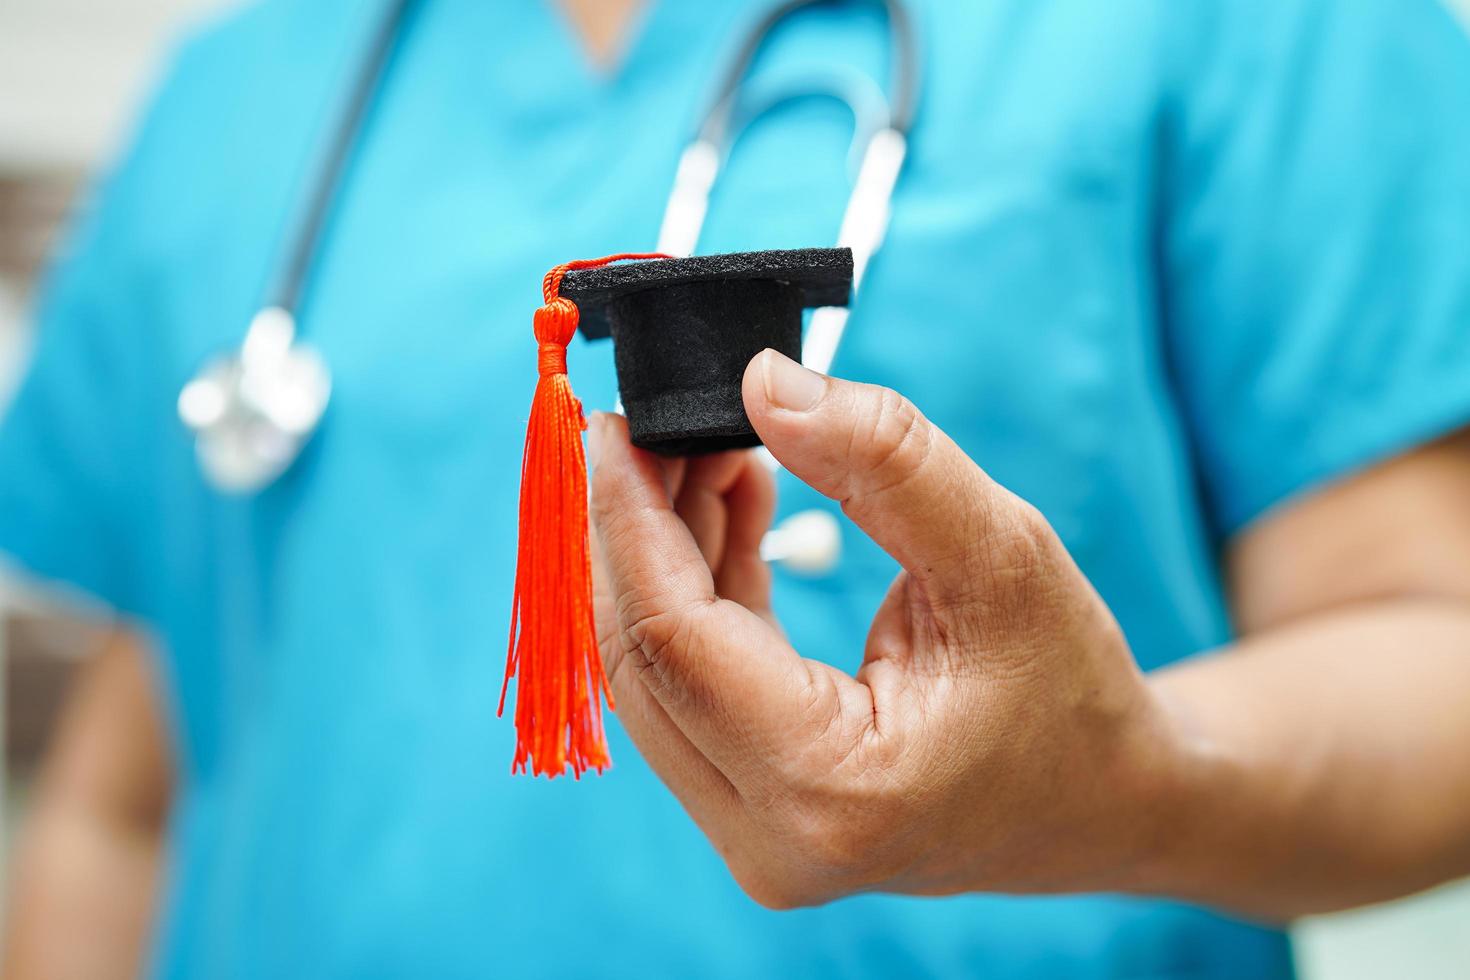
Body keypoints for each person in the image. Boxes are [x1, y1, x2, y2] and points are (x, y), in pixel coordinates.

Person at [4, 0, 1470, 976]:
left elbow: (1432, 639)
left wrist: (1126, 779)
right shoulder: (243, 86)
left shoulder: (1261, 26)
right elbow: (131, 791)